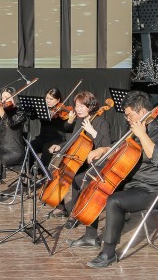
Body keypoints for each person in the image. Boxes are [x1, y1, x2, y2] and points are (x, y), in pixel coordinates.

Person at [82, 91, 158, 269]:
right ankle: (90, 236)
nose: (127, 119)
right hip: (132, 182)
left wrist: (142, 134)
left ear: (142, 112)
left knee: (114, 201)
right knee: (90, 180)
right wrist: (102, 150)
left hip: (153, 189)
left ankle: (108, 253)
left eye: (129, 115)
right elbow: (121, 146)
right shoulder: (135, 129)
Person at [46, 91, 112, 228]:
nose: (78, 109)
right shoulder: (80, 121)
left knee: (76, 179)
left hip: (93, 163)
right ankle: (61, 206)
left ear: (91, 106)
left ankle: (74, 214)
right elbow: (72, 140)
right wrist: (59, 146)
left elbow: (105, 145)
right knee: (56, 172)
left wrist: (92, 130)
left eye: (82, 106)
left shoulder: (101, 122)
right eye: (77, 106)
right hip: (79, 159)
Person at [30, 87, 75, 168]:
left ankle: (42, 173)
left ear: (58, 100)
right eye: (47, 98)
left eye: (51, 99)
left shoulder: (62, 111)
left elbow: (66, 129)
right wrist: (33, 111)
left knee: (47, 149)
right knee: (31, 146)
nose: (48, 101)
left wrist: (70, 120)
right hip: (43, 137)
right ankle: (28, 170)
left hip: (56, 138)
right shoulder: (43, 109)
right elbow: (33, 117)